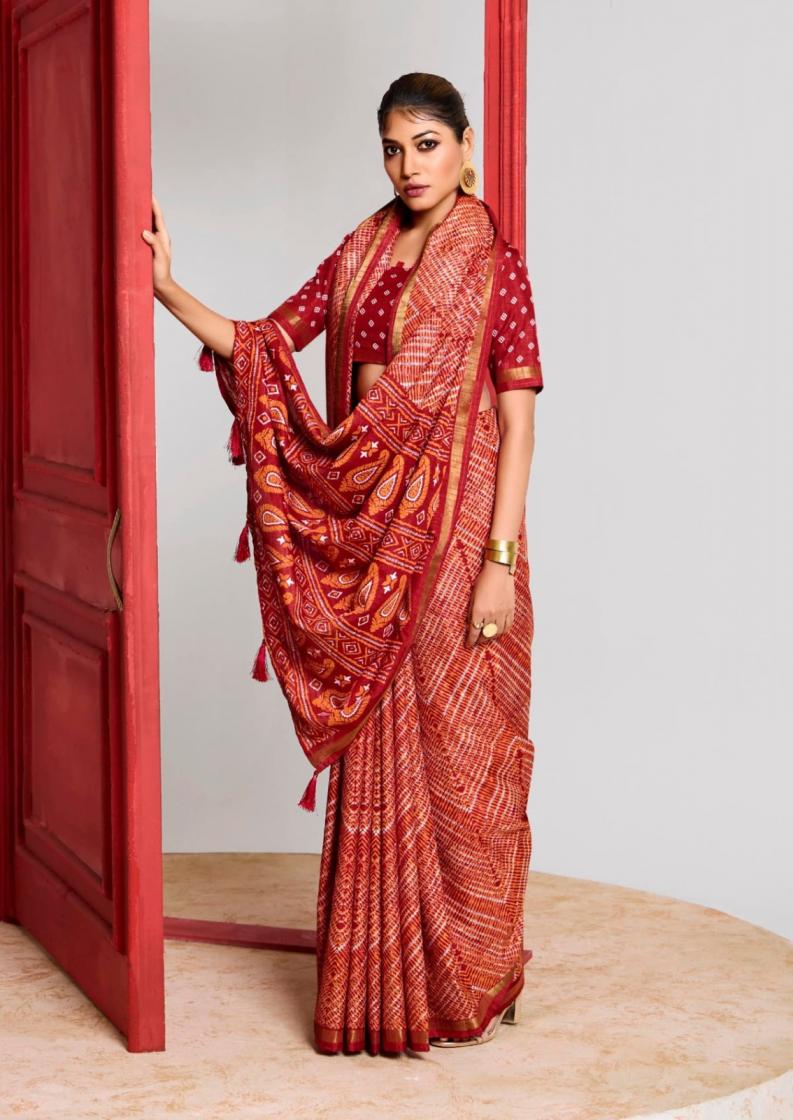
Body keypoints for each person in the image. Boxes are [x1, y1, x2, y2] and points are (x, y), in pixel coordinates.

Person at [143, 72, 543, 1056]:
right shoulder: (359, 255)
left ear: (464, 146)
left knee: (466, 757)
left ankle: (474, 971)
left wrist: (499, 558)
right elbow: (264, 347)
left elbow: (517, 423)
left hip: (457, 540)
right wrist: (164, 287)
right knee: (386, 751)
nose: (409, 167)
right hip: (369, 542)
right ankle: (383, 987)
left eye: (427, 145)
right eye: (393, 149)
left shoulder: (492, 265)